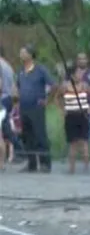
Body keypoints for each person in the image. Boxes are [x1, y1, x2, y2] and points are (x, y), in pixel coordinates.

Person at [16, 45, 55, 173]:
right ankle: (31, 163)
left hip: (36, 108)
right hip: (24, 107)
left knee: (40, 135)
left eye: (24, 52)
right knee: (27, 136)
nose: (21, 54)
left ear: (31, 55)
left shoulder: (40, 70)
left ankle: (45, 163)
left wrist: (47, 100)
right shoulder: (21, 70)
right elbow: (18, 86)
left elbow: (53, 85)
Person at [59, 67, 90, 174]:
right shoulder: (65, 87)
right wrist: (62, 109)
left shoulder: (84, 85)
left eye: (81, 73)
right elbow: (57, 97)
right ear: (72, 75)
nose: (80, 75)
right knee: (72, 143)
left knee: (84, 141)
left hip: (83, 115)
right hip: (70, 115)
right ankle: (72, 168)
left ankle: (86, 167)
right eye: (78, 73)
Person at [0, 46, 22, 163]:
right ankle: (18, 150)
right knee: (6, 127)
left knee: (5, 128)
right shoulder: (7, 65)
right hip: (8, 98)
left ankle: (19, 149)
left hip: (2, 98)